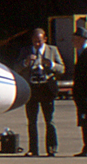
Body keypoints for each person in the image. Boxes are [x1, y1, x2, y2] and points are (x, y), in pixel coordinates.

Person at [16, 28, 64, 156]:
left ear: (45, 39)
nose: (37, 44)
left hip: (46, 88)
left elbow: (62, 68)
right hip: (32, 88)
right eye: (35, 41)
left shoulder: (52, 50)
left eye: (40, 41)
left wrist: (51, 65)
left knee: (49, 120)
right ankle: (33, 149)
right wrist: (25, 62)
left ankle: (51, 148)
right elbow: (16, 68)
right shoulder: (25, 51)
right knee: (32, 121)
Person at [73, 26, 87, 156]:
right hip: (81, 95)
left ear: (82, 39)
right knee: (85, 121)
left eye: (75, 39)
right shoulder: (82, 53)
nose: (73, 42)